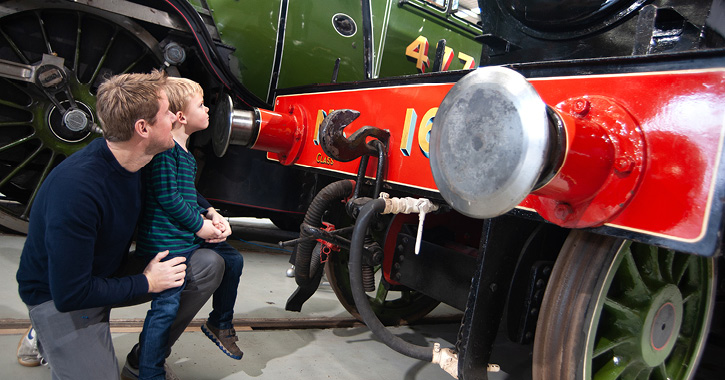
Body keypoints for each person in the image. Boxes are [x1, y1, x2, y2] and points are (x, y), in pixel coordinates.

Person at [15, 70, 227, 380]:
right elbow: (70, 292)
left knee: (208, 264)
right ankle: (43, 331)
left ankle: (144, 359)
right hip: (60, 293)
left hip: (109, 270)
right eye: (167, 113)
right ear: (143, 128)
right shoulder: (77, 191)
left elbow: (177, 190)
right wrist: (148, 283)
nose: (175, 118)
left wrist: (208, 211)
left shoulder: (141, 159)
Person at [134, 77, 245, 380]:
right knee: (165, 308)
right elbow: (168, 196)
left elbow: (187, 193)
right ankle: (148, 371)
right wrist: (201, 227)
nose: (208, 109)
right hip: (166, 245)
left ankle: (220, 322)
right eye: (201, 105)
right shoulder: (166, 151)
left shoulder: (184, 153)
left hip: (184, 238)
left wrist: (211, 212)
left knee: (233, 259)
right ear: (181, 117)